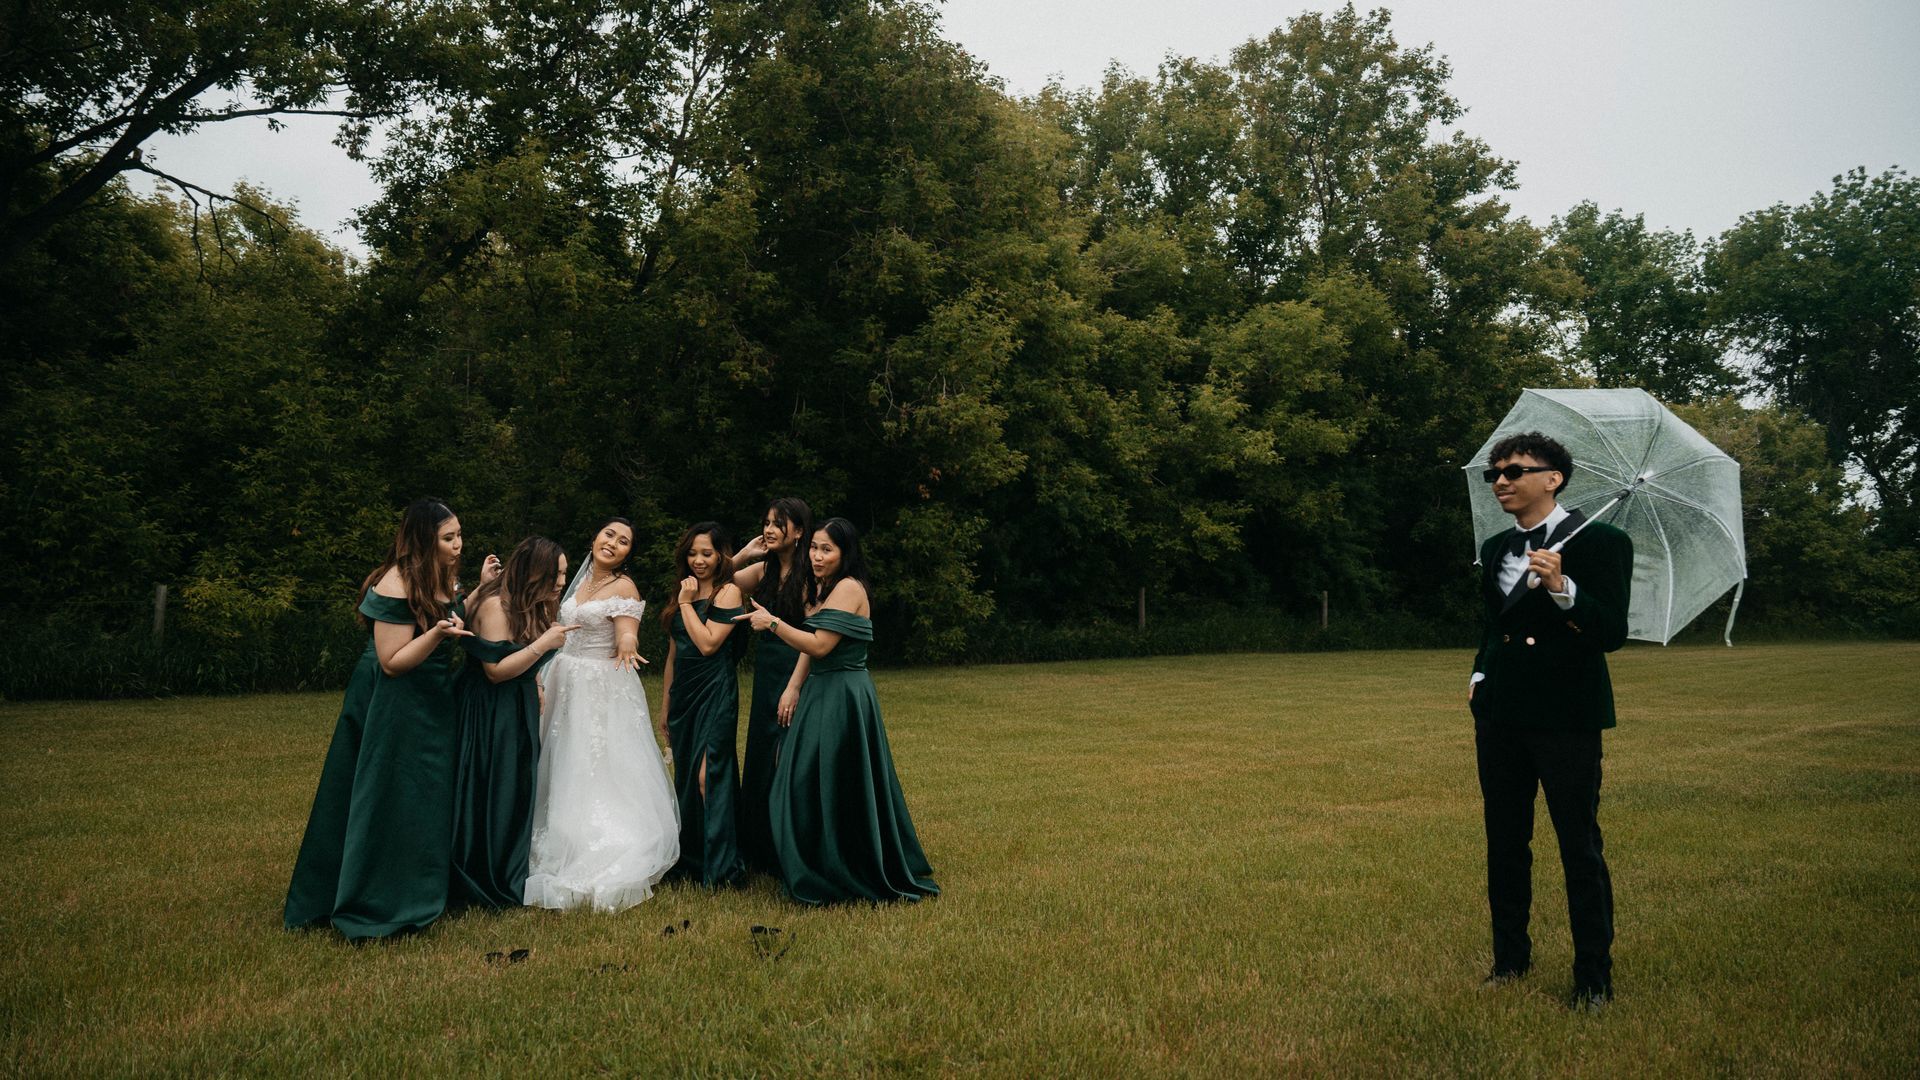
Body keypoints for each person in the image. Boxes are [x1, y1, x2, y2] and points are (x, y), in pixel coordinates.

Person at [1469, 432, 1632, 1010]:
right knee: (1505, 844)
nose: (1501, 482)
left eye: (1514, 470)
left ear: (1553, 478)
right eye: (1495, 473)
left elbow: (1611, 633)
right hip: (1500, 717)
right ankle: (1509, 962)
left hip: (1567, 717)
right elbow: (1495, 627)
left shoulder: (1604, 542)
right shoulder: (1493, 547)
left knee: (1578, 847)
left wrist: (1565, 590)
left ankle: (1593, 979)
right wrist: (1480, 675)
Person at [284, 498, 492, 939]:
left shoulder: (439, 574)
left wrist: (475, 593)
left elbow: (447, 616)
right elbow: (392, 662)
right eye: (448, 537)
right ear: (423, 539)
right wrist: (437, 635)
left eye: (459, 535)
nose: (458, 545)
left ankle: (418, 885)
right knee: (388, 790)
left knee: (423, 793)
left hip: (431, 695)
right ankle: (375, 896)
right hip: (393, 698)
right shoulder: (396, 582)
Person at [736, 517, 937, 905]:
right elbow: (811, 648)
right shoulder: (825, 586)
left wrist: (772, 622)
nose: (816, 555)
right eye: (813, 547)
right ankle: (814, 857)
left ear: (845, 553)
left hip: (843, 692)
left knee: (816, 777)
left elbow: (820, 645)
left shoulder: (847, 588)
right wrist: (793, 687)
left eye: (826, 549)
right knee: (803, 775)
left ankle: (835, 864)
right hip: (820, 688)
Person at [523, 517, 679, 912]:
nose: (613, 543)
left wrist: (627, 643)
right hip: (565, 676)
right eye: (609, 534)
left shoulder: (623, 586)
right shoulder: (575, 581)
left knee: (595, 764)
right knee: (560, 759)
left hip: (599, 684)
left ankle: (600, 842)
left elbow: (628, 629)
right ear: (595, 536)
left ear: (628, 552)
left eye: (624, 541)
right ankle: (553, 833)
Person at [450, 536, 577, 909]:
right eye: (556, 573)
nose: (561, 581)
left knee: (516, 785)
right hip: (488, 710)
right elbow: (495, 670)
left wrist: (535, 680)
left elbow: (518, 656)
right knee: (493, 785)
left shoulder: (527, 604)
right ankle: (483, 875)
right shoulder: (495, 606)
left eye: (565, 573)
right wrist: (543, 647)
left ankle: (507, 868)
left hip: (515, 704)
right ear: (535, 572)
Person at [728, 497, 814, 874]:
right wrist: (745, 553)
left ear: (798, 531)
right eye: (766, 522)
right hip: (767, 669)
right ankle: (761, 849)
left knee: (790, 755)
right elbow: (715, 578)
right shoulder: (763, 569)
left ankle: (792, 848)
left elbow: (816, 637)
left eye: (778, 523)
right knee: (763, 754)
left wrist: (794, 686)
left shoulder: (813, 571)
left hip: (799, 668)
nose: (769, 529)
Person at [661, 522, 748, 887]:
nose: (698, 560)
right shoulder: (682, 593)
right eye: (692, 553)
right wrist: (665, 707)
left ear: (720, 555)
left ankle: (724, 866)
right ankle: (693, 860)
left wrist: (685, 605)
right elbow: (673, 655)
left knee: (708, 776)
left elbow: (708, 643)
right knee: (686, 780)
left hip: (715, 692)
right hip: (684, 697)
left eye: (706, 553)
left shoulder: (728, 592)